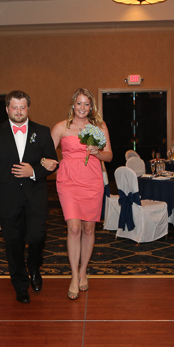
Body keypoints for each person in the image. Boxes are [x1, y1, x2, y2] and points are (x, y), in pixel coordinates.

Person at [0, 90, 57, 304]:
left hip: (35, 196)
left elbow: (52, 162)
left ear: (28, 108)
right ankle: (20, 285)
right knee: (13, 244)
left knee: (37, 237)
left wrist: (33, 171)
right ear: (7, 109)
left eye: (23, 107)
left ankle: (34, 266)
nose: (19, 111)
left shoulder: (42, 132)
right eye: (15, 107)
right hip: (7, 197)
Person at [49, 87, 112, 300]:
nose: (82, 107)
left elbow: (109, 156)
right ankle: (74, 276)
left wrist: (98, 152)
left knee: (88, 228)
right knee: (74, 228)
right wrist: (44, 163)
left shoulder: (99, 126)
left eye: (86, 104)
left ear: (91, 106)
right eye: (79, 103)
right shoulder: (61, 127)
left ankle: (83, 270)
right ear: (73, 105)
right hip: (68, 182)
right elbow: (46, 153)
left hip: (92, 181)